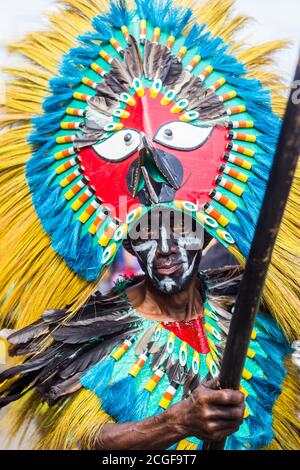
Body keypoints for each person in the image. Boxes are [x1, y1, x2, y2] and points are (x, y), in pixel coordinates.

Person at [0, 0, 299, 451]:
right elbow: (86, 443)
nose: (164, 246)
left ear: (205, 234)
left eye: (179, 227)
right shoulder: (88, 337)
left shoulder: (260, 317)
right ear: (126, 243)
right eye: (144, 231)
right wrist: (175, 424)